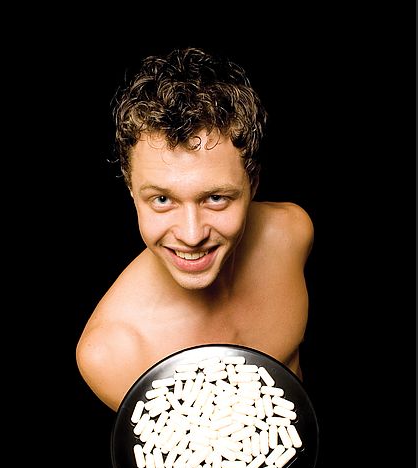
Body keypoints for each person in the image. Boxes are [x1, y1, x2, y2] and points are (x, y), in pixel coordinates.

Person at [76, 47, 313, 411]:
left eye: (216, 198)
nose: (191, 234)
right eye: (161, 200)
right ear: (130, 191)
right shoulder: (113, 352)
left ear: (253, 183)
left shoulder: (291, 234)